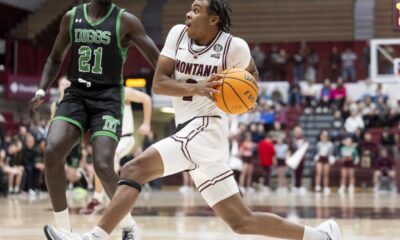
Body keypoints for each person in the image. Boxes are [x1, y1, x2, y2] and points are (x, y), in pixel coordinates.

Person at [44, 1, 340, 240]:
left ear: (214, 20)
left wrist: (245, 99)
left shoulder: (234, 47)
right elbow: (159, 83)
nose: (188, 13)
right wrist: (196, 88)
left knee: (133, 168)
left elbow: (252, 81)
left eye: (197, 9)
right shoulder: (177, 35)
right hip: (188, 131)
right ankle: (320, 236)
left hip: (208, 128)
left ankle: (93, 237)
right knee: (241, 221)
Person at [29, 0, 159, 239]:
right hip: (76, 94)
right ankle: (65, 230)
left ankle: (129, 226)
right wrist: (40, 90)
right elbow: (55, 58)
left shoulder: (126, 20)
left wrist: (182, 85)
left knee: (102, 165)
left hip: (108, 99)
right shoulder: (71, 17)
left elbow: (157, 60)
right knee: (52, 151)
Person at [80, 87, 152, 214]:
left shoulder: (123, 91)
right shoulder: (100, 94)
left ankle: (112, 199)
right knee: (99, 159)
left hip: (126, 138)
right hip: (110, 138)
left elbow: (146, 99)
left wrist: (146, 124)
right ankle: (99, 198)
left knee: (109, 158)